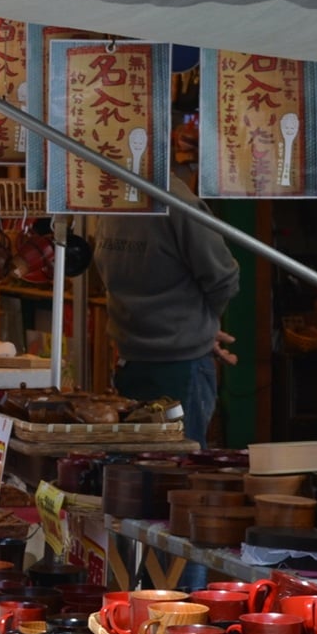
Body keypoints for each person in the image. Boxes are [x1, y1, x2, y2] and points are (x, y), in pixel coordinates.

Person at [91, 172, 241, 449]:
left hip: (180, 367)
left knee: (174, 472)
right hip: (131, 361)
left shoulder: (175, 200)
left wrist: (202, 327)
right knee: (137, 474)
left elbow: (223, 277)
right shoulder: (110, 194)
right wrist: (202, 326)